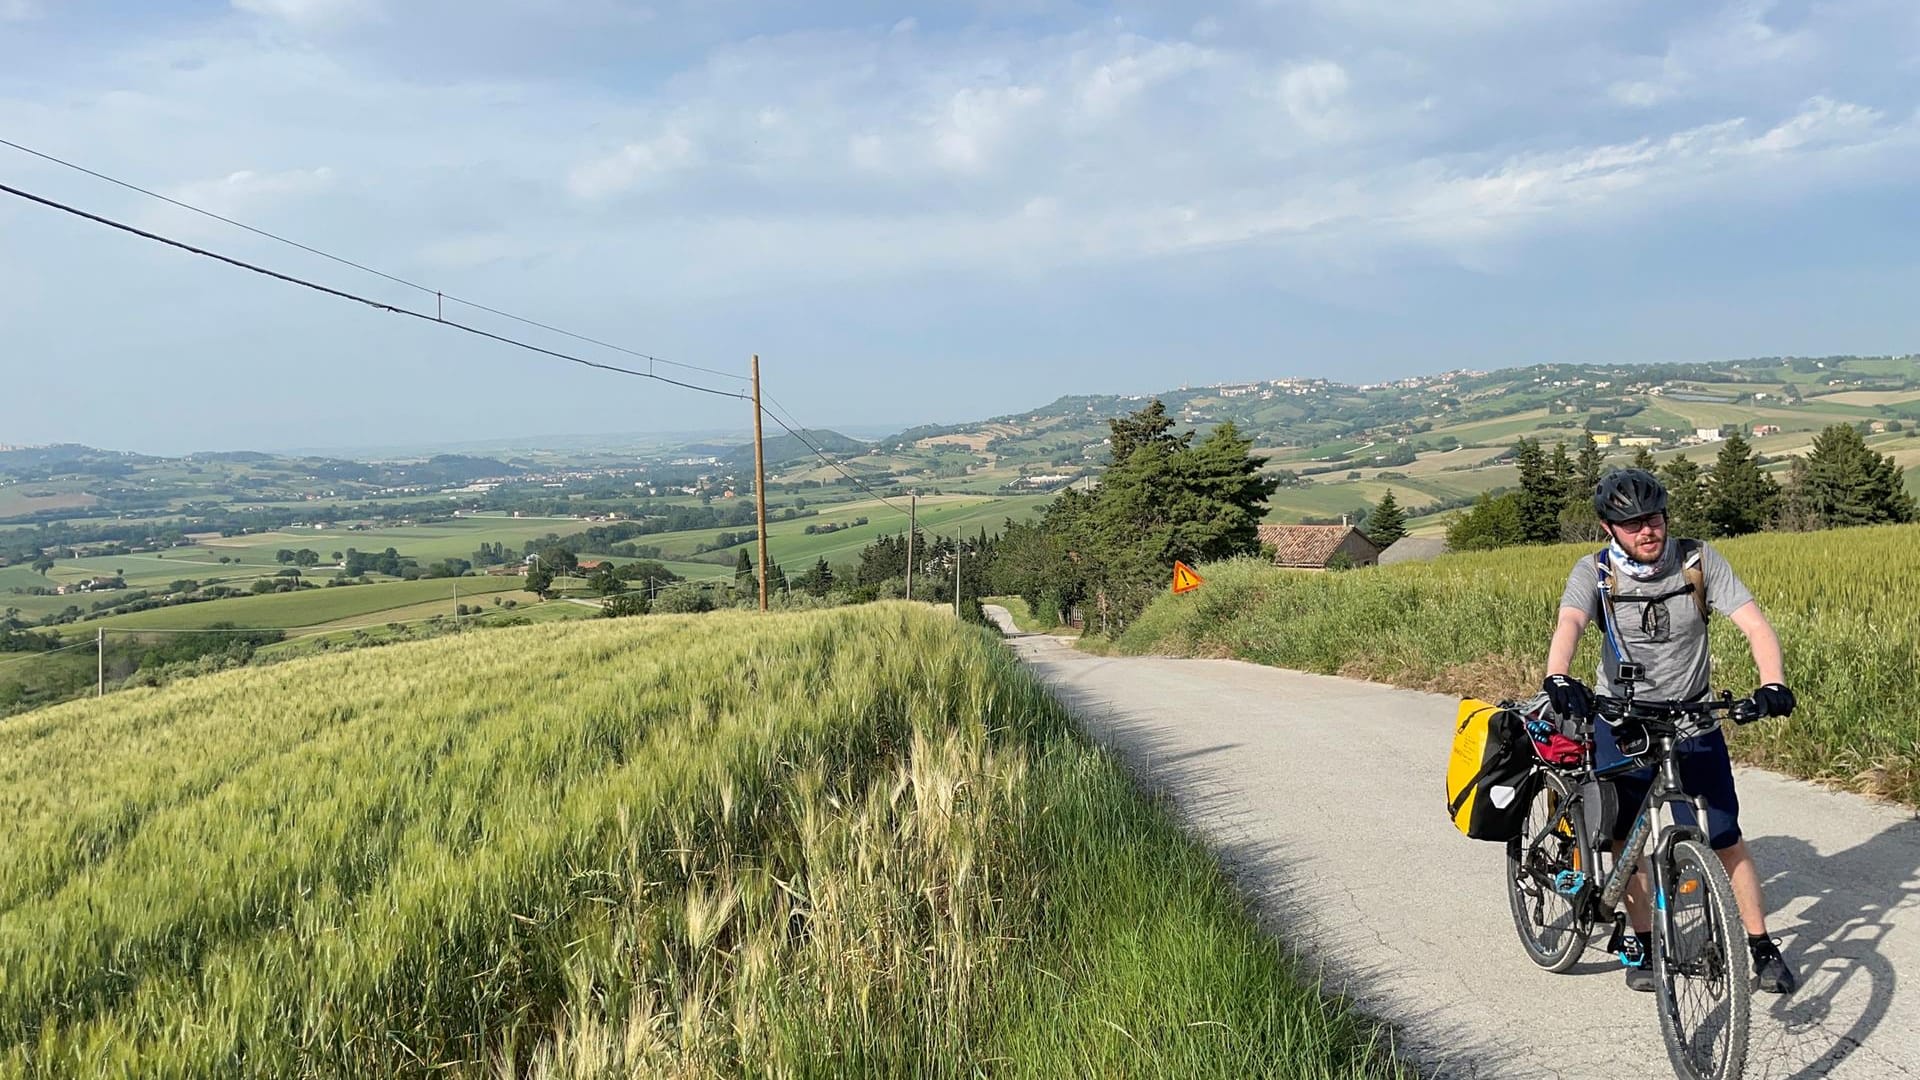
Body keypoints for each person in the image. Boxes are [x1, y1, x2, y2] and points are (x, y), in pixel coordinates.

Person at [1542, 468, 1798, 995]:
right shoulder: (1594, 572)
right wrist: (1558, 675)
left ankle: (1760, 944)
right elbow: (1570, 623)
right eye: (1631, 523)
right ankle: (1642, 940)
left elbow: (1754, 624)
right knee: (1628, 841)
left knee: (1725, 836)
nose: (1647, 530)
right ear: (1608, 528)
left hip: (1693, 717)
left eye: (1653, 518)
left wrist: (1771, 684)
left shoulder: (1698, 561)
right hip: (1621, 720)